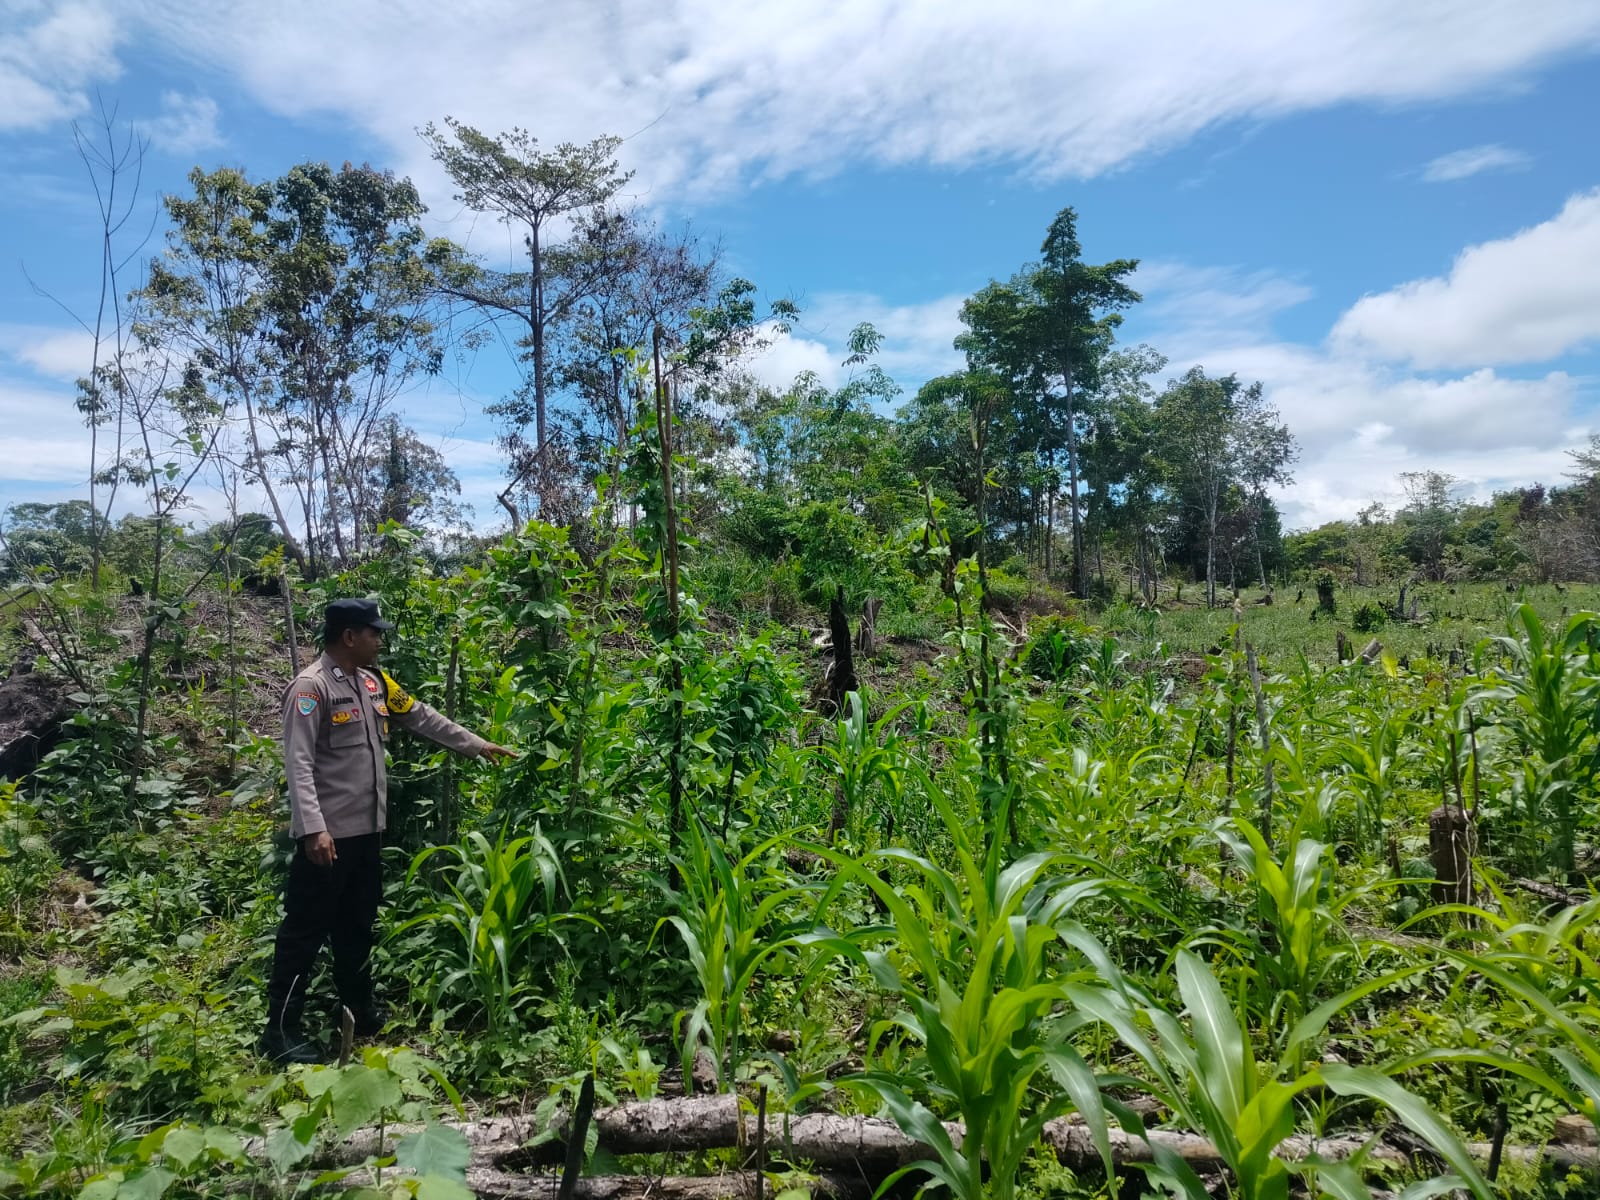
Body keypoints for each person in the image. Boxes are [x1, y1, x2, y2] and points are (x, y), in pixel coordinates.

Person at [258, 597, 515, 1064]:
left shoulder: (374, 682)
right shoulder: (311, 689)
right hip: (327, 838)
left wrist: (476, 745)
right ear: (349, 636)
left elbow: (420, 715)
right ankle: (280, 1030)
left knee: (357, 923)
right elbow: (298, 764)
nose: (380, 640)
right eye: (373, 632)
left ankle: (357, 1009)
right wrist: (313, 830)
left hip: (366, 833)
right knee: (304, 932)